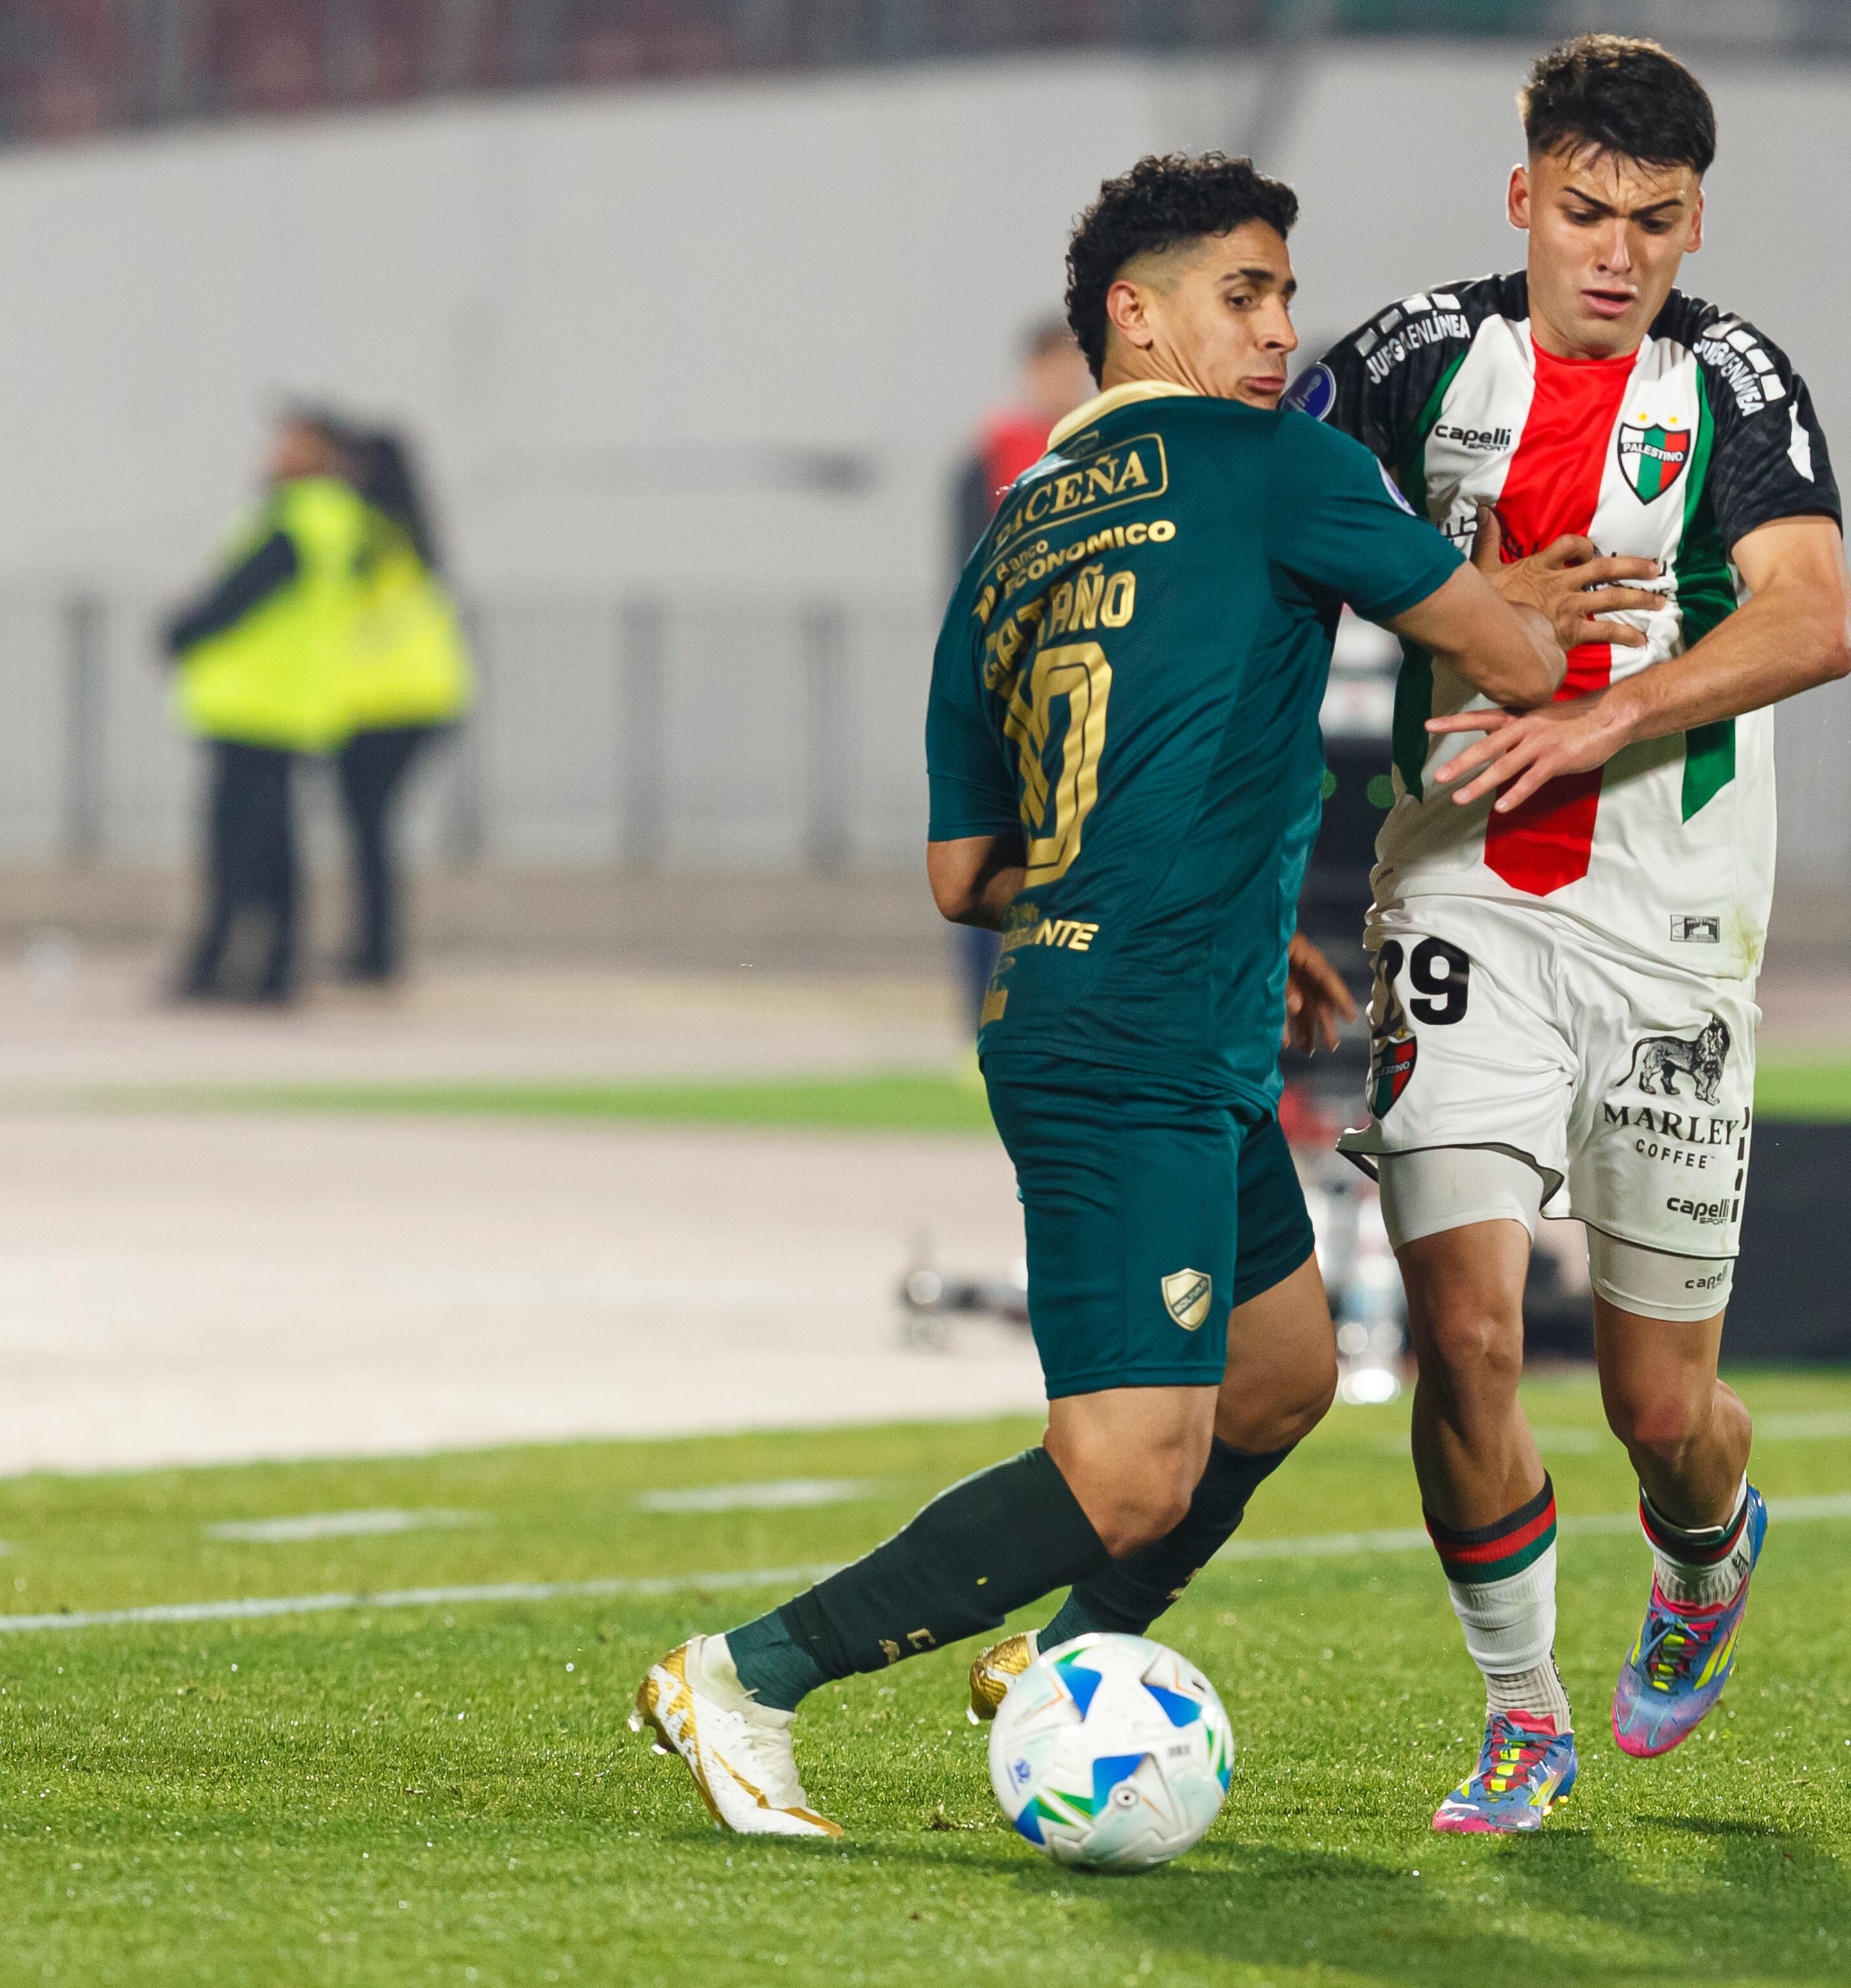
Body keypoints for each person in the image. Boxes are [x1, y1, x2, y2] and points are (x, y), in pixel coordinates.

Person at [629, 153, 1563, 1838]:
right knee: (1131, 1462)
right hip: (1133, 1037)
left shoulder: (1018, 536)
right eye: (1246, 293)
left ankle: (1070, 1656)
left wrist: (1211, 912)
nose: (1284, 328)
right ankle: (749, 1670)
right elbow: (1518, 663)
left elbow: (963, 872)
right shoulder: (1283, 466)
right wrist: (1530, 609)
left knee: (1278, 1376)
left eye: (1286, 293)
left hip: (1114, 1003)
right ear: (1133, 315)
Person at [1261, 35, 1851, 1833]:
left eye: (1655, 222)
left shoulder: (1735, 379)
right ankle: (1521, 1709)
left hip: (1673, 931)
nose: (1616, 251)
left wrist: (1604, 711)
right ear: (1522, 194)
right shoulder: (1409, 360)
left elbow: (1814, 617)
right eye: (1585, 210)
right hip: (1459, 900)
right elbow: (1260, 534)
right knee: (1465, 1329)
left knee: (1661, 1404)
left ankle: (1705, 1546)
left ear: (1694, 223)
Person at [160, 409, 368, 1005]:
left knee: (240, 845)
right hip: (281, 706)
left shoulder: (301, 520)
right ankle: (269, 965)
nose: (276, 453)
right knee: (272, 846)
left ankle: (228, 961)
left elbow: (237, 595)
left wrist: (181, 632)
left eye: (293, 444)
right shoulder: (329, 519)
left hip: (260, 707)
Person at [942, 320, 1099, 1057]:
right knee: (987, 857)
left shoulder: (1105, 453)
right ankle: (980, 1018)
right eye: (1056, 367)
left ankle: (1062, 1011)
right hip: (1006, 695)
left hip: (1083, 696)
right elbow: (966, 580)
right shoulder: (991, 456)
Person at [330, 425, 475, 986]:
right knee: (375, 830)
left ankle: (376, 950)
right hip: (427, 698)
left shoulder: (363, 532)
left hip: (383, 704)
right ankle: (376, 946)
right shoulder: (411, 532)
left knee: (368, 829)